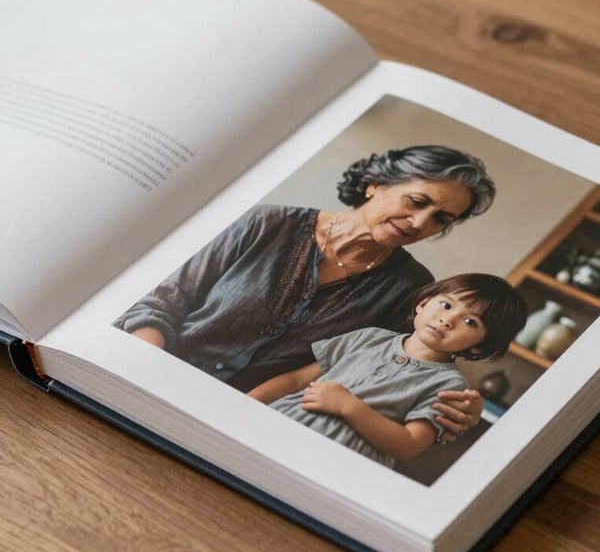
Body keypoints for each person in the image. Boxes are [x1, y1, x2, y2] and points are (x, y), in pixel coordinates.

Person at [114, 145, 496, 439]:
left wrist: (454, 407)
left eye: (440, 219)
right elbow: (160, 301)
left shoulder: (409, 288)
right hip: (149, 375)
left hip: (252, 426)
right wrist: (149, 371)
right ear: (376, 184)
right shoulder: (265, 223)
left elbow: (408, 365)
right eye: (416, 202)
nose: (419, 222)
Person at [248, 274, 527, 468]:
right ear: (422, 304)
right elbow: (298, 379)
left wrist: (350, 407)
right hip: (276, 427)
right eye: (446, 304)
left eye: (470, 321)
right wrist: (246, 405)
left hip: (335, 463)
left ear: (479, 346)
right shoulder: (369, 337)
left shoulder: (449, 386)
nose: (448, 319)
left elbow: (409, 445)